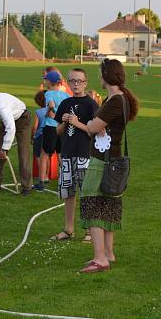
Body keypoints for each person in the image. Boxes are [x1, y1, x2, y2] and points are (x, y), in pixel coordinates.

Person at [72, 58, 139, 273]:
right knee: (108, 206)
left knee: (92, 203)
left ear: (107, 75)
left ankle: (100, 259)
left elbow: (91, 127)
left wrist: (95, 125)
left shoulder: (115, 101)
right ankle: (108, 253)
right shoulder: (118, 99)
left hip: (103, 160)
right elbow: (98, 125)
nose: (98, 77)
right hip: (112, 158)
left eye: (100, 73)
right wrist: (97, 125)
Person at [50, 68, 98, 241]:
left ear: (85, 83)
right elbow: (58, 132)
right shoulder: (65, 103)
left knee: (86, 192)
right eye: (72, 81)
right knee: (68, 193)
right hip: (68, 154)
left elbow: (94, 132)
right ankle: (68, 229)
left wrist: (78, 123)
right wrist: (63, 122)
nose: (76, 84)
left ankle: (89, 231)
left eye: (79, 81)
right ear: (68, 83)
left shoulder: (91, 104)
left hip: (85, 154)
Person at [36, 71, 70, 191]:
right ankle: (65, 180)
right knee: (61, 153)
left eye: (46, 80)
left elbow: (50, 105)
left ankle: (41, 182)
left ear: (50, 82)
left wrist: (52, 109)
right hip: (63, 127)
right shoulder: (66, 95)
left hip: (50, 127)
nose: (45, 82)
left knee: (44, 154)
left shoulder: (49, 93)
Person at [31, 90, 48, 191]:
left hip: (39, 136)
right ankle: (46, 176)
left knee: (38, 156)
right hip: (48, 134)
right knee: (46, 156)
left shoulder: (38, 112)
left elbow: (35, 127)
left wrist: (32, 136)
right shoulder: (50, 110)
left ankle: (42, 177)